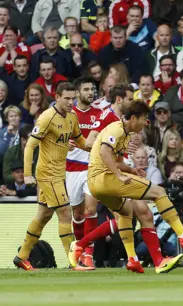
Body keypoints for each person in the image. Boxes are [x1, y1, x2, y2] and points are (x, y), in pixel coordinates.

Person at [70, 100, 183, 274]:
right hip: (104, 178)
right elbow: (105, 152)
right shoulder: (116, 129)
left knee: (126, 213)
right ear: (133, 118)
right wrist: (119, 175)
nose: (145, 123)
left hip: (97, 183)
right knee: (159, 192)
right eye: (144, 119)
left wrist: (132, 170)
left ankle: (132, 259)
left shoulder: (125, 134)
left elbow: (118, 162)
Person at [13, 82, 89, 271]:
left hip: (59, 173)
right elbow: (30, 145)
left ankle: (21, 256)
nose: (71, 102)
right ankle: (73, 262)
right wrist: (28, 174)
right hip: (48, 174)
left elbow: (81, 141)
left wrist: (102, 148)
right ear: (57, 97)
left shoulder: (72, 117)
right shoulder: (46, 117)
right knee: (65, 214)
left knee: (43, 216)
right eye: (67, 98)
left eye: (74, 98)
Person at [64, 78, 103, 270]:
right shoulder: (69, 115)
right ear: (77, 93)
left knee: (90, 210)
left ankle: (88, 254)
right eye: (86, 89)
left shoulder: (100, 115)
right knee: (77, 213)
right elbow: (54, 140)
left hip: (92, 168)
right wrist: (64, 144)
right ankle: (78, 251)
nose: (90, 92)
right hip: (71, 169)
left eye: (92, 89)